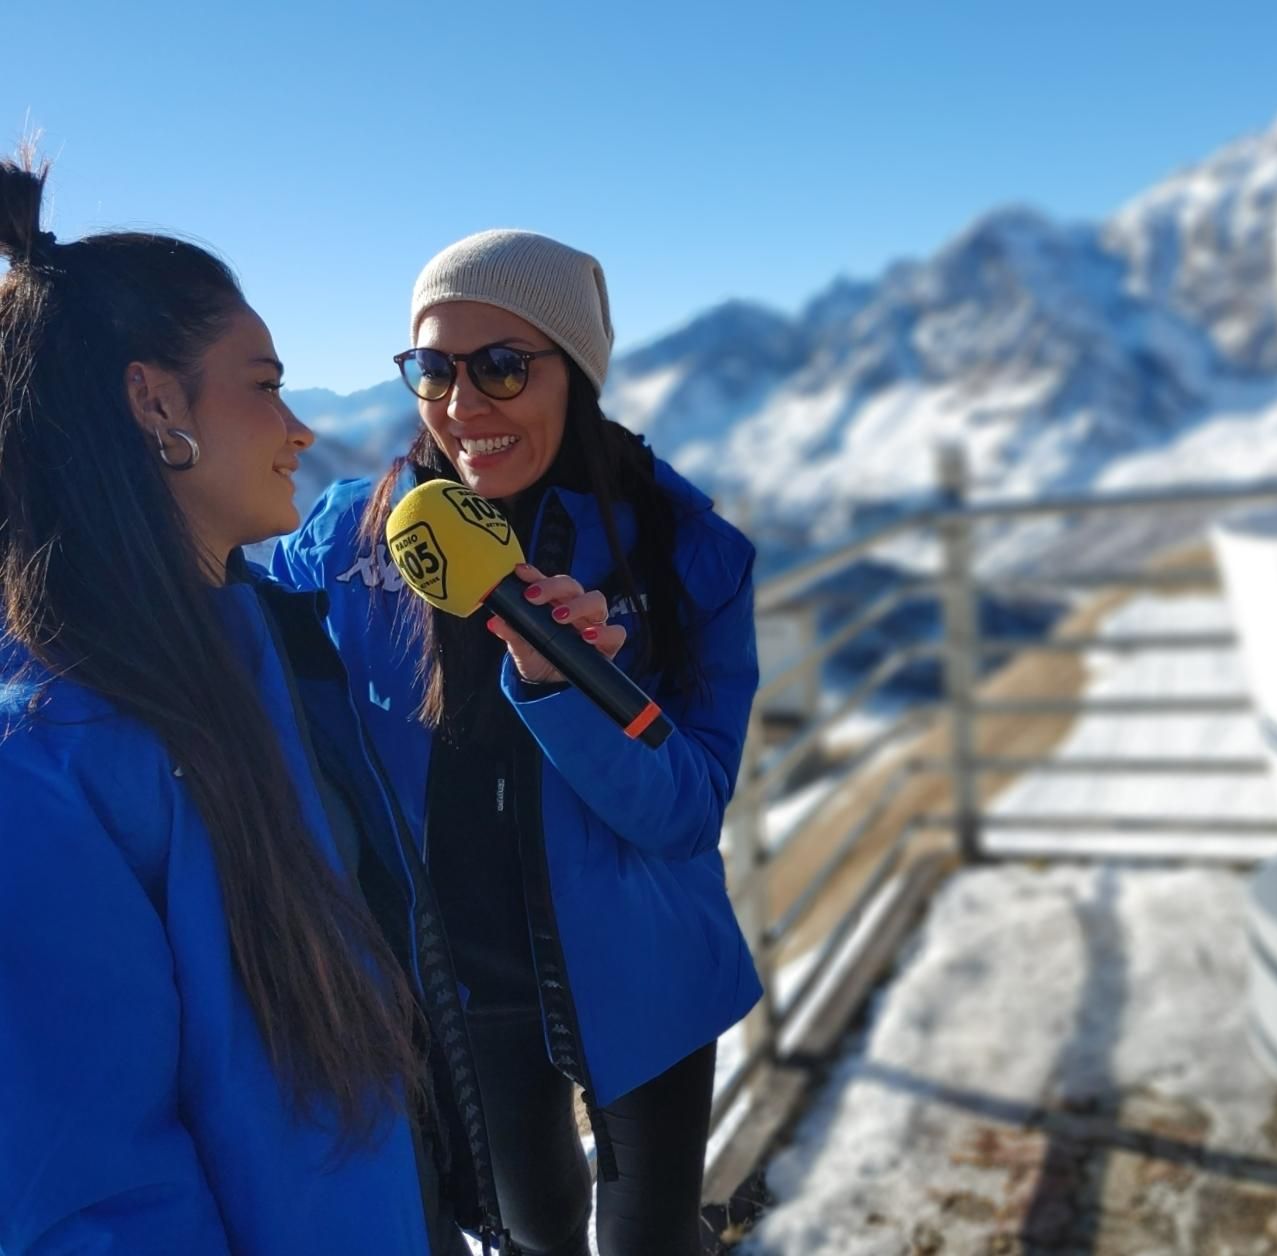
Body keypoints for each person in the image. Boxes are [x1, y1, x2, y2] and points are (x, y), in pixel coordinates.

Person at [0, 158, 509, 1254]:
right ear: (155, 403)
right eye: (266, 384)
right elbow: (89, 1203)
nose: (299, 428)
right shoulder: (44, 757)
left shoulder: (262, 646)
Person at [271, 228, 764, 1254]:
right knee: (533, 1232)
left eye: (501, 365)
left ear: (575, 371)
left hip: (649, 970)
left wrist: (560, 684)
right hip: (464, 983)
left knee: (650, 1239)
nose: (461, 406)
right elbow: (205, 596)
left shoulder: (686, 553)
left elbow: (687, 811)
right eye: (433, 368)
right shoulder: (355, 534)